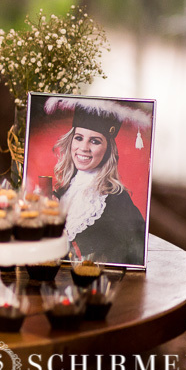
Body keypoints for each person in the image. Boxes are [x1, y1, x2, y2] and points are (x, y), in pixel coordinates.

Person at [46, 97, 149, 266]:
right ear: (70, 141)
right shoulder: (60, 192)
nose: (84, 148)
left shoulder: (118, 200)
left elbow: (135, 258)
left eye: (94, 141)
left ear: (108, 149)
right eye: (79, 138)